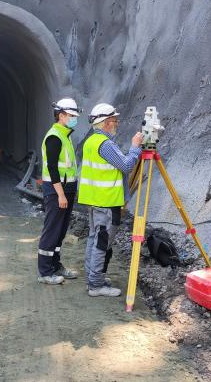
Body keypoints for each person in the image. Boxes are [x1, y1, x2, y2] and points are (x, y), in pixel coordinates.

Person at [78, 103, 144, 297]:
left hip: (96, 200)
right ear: (106, 122)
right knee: (102, 242)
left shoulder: (91, 141)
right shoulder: (105, 144)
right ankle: (96, 285)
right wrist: (135, 148)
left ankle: (93, 277)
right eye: (114, 120)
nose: (117, 123)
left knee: (94, 238)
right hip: (107, 202)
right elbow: (126, 166)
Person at [37, 98, 82, 285]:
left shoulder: (65, 135)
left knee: (60, 232)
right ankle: (45, 272)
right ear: (61, 115)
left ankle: (55, 265)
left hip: (67, 190)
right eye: (71, 116)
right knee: (51, 231)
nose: (74, 119)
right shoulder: (55, 136)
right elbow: (53, 168)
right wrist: (61, 194)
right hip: (57, 191)